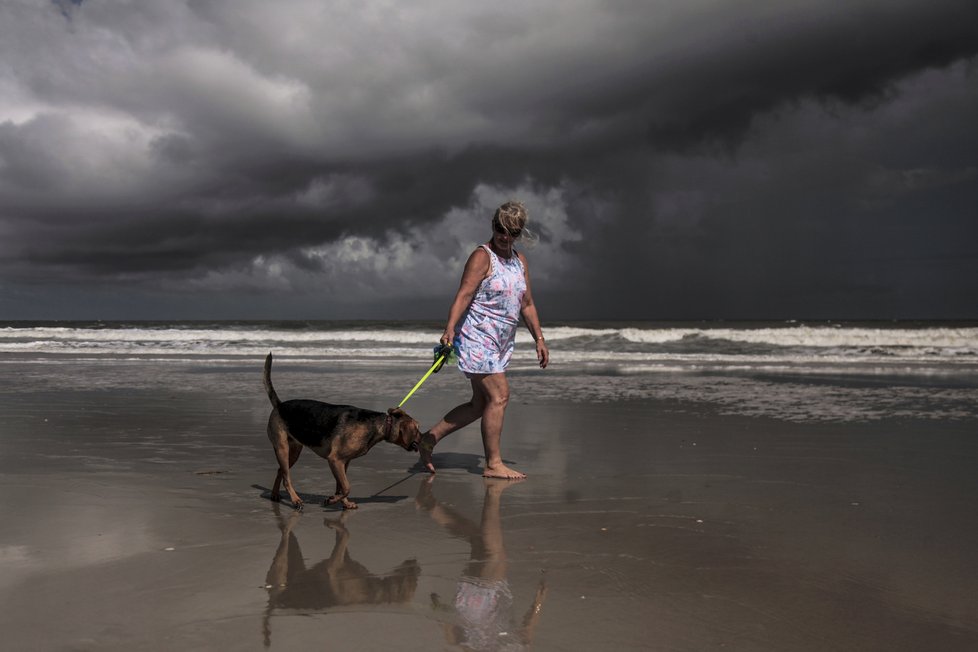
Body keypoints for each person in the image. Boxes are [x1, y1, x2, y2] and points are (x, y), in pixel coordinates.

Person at [419, 201, 549, 479]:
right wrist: (449, 329)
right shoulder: (482, 256)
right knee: (500, 396)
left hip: (501, 342)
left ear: (519, 233)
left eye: (512, 232)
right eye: (501, 229)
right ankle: (493, 464)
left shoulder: (519, 261)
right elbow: (464, 294)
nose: (506, 237)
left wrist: (539, 338)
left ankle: (428, 439)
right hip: (477, 338)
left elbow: (527, 304)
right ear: (493, 226)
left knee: (480, 405)